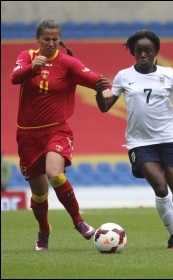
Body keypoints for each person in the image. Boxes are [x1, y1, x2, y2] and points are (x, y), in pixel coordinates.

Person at [96, 30, 173, 250]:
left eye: (148, 51)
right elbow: (105, 107)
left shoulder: (168, 74)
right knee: (161, 188)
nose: (143, 55)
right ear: (133, 54)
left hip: (168, 138)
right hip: (140, 142)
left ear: (156, 53)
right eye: (138, 52)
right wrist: (99, 93)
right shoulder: (124, 76)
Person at [10, 19, 110, 251]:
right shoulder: (27, 56)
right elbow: (14, 78)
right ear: (38, 40)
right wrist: (33, 68)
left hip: (57, 130)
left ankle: (79, 221)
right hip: (27, 136)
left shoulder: (68, 64)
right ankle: (44, 230)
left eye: (55, 39)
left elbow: (96, 81)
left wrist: (106, 88)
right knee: (39, 192)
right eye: (47, 39)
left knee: (54, 173)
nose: (51, 43)